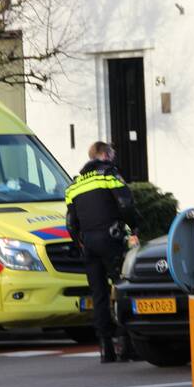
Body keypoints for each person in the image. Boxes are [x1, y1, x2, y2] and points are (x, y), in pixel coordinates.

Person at [65, 141, 140, 363]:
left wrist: (80, 242)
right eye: (112, 153)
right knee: (121, 287)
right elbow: (126, 204)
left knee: (98, 295)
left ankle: (106, 348)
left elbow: (70, 223)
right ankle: (127, 345)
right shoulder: (109, 175)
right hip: (111, 240)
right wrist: (135, 227)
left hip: (89, 244)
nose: (114, 157)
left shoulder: (75, 184)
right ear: (105, 155)